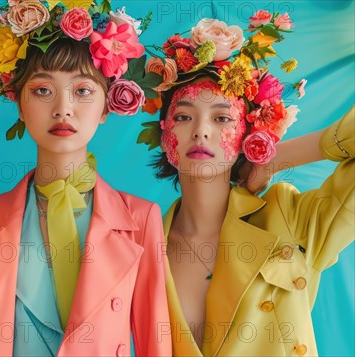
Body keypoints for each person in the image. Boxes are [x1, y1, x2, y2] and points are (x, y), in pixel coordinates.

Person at [0, 2, 171, 356]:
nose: (63, 108)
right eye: (42, 90)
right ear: (18, 103)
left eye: (82, 91)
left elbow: (156, 344)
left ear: (107, 106)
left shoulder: (141, 219)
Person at [138, 12, 354, 356]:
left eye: (222, 118)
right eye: (183, 116)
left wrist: (276, 156)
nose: (201, 131)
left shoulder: (290, 219)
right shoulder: (140, 246)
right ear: (164, 133)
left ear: (248, 132)